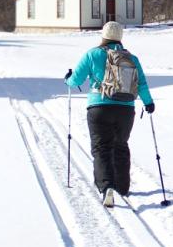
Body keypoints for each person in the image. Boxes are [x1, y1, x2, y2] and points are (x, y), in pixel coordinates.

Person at [64, 21, 155, 207]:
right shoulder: (132, 58)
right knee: (121, 146)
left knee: (101, 148)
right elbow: (142, 83)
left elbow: (76, 80)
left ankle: (107, 187)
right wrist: (149, 102)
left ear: (103, 35)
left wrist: (68, 79)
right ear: (120, 37)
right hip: (126, 109)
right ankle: (122, 187)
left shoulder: (93, 54)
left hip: (99, 107)